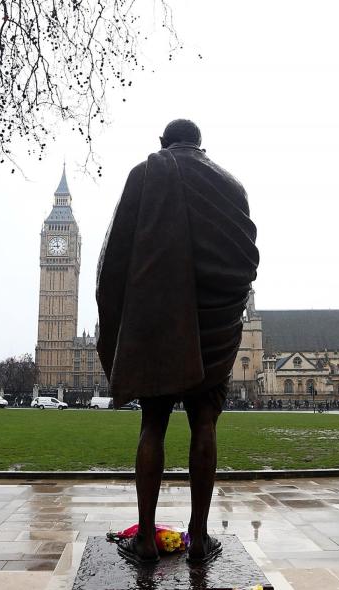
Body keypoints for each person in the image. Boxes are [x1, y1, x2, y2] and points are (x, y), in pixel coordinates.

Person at [96, 119, 259, 565]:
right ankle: (200, 537)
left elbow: (115, 257)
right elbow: (246, 262)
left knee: (153, 425)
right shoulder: (232, 186)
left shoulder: (147, 173)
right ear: (201, 145)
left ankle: (145, 538)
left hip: (161, 327)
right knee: (204, 424)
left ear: (163, 143)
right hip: (215, 330)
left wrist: (120, 320)